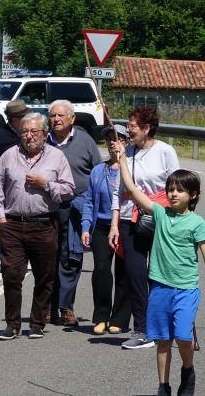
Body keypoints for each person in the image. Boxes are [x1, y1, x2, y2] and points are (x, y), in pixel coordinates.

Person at [115, 157, 202, 396]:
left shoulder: (197, 223)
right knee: (163, 340)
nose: (173, 194)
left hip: (185, 290)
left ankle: (188, 370)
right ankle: (163, 387)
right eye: (170, 189)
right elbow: (132, 189)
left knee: (184, 337)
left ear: (193, 195)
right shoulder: (160, 215)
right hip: (160, 288)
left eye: (180, 190)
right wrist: (122, 159)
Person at [0, 113, 75, 340]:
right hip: (13, 225)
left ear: (45, 134)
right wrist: (1, 219)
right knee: (11, 275)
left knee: (44, 276)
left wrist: (46, 185)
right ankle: (13, 324)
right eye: (25, 132)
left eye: (34, 132)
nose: (29, 137)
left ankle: (37, 323)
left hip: (44, 224)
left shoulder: (57, 157)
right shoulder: (9, 156)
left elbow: (69, 189)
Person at [109, 106, 180, 350]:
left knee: (159, 276)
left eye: (132, 126)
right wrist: (115, 224)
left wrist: (175, 219)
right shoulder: (125, 153)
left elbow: (177, 187)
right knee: (135, 274)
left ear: (147, 128)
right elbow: (118, 191)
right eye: (128, 125)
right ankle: (141, 329)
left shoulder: (165, 152)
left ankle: (166, 323)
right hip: (130, 221)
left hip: (159, 220)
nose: (128, 130)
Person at [46, 100, 102, 327]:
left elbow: (98, 170)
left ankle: (66, 306)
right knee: (48, 257)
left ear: (72, 119)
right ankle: (48, 307)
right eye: (52, 116)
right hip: (47, 207)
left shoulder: (85, 141)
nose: (56, 119)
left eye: (60, 115)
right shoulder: (43, 141)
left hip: (76, 208)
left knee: (70, 257)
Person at [80, 124, 131, 336]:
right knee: (101, 269)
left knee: (124, 272)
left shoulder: (133, 169)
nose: (113, 142)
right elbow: (89, 202)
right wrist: (85, 227)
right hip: (101, 227)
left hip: (126, 224)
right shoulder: (98, 170)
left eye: (118, 138)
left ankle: (119, 318)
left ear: (127, 143)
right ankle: (101, 316)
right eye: (109, 138)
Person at [0, 100, 30, 276]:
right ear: (14, 119)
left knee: (24, 222)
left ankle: (18, 259)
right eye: (23, 117)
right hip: (2, 187)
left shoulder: (29, 134)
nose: (27, 119)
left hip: (26, 187)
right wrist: (4, 172)